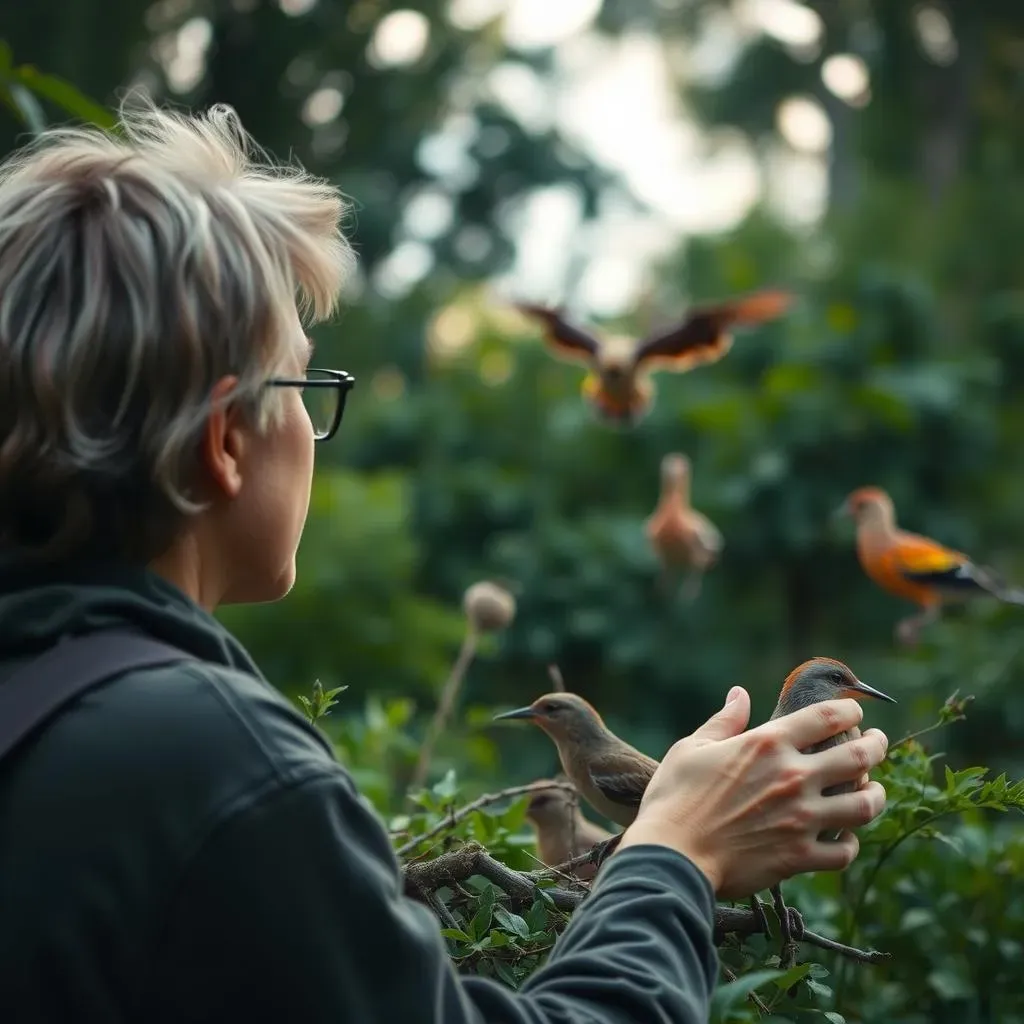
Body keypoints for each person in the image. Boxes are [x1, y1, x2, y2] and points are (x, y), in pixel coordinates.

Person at [0, 98, 889, 1023]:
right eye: (307, 384)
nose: (312, 426)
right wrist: (676, 853)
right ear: (224, 438)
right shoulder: (214, 769)